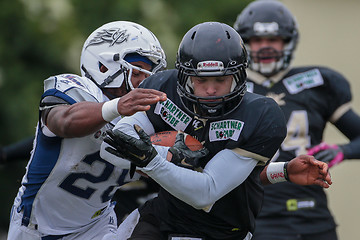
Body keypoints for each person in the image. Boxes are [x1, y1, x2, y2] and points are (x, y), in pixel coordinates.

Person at [100, 21, 331, 240]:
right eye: (200, 80)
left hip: (221, 230)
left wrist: (151, 158)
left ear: (239, 76)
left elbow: (206, 192)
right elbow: (111, 148)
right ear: (184, 77)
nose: (210, 90)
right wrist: (166, 157)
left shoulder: (260, 115)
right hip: (162, 218)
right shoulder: (163, 88)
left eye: (220, 79)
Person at [7, 20, 167, 240]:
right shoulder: (76, 89)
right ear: (104, 67)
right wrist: (116, 108)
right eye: (137, 72)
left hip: (98, 227)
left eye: (149, 75)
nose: (143, 83)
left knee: (165, 215)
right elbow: (62, 121)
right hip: (35, 226)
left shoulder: (145, 117)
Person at [233, 0, 360, 239]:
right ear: (245, 44)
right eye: (257, 40)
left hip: (310, 215)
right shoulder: (229, 89)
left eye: (273, 40)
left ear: (288, 41)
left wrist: (342, 150)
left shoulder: (318, 83)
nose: (265, 47)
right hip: (254, 215)